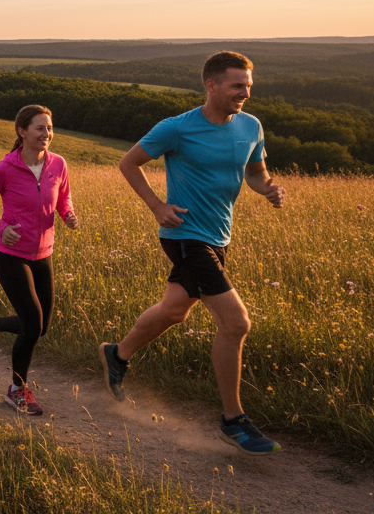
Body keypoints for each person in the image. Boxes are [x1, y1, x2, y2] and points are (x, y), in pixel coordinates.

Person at [99, 51, 287, 455]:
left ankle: (117, 354)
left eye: (249, 86)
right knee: (236, 323)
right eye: (237, 86)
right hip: (185, 235)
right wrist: (157, 206)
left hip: (219, 237)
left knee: (174, 311)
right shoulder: (177, 128)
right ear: (211, 85)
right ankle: (233, 421)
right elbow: (129, 163)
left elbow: (255, 172)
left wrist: (269, 189)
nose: (245, 93)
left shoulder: (251, 126)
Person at [0, 105, 78, 415]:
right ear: (22, 131)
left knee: (41, 327)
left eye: (49, 128)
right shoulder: (6, 168)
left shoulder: (58, 164)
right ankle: (17, 390)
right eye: (40, 128)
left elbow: (63, 197)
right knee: (32, 322)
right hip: (11, 256)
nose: (47, 134)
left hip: (44, 254)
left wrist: (68, 214)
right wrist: (1, 229)